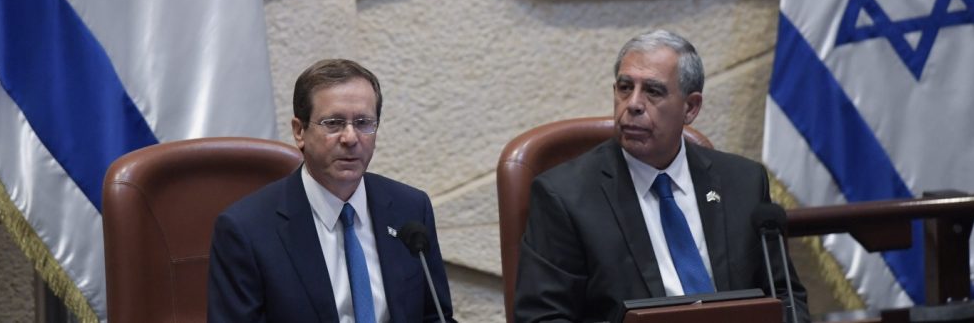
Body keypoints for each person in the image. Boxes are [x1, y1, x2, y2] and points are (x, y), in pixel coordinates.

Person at [513, 30, 810, 323]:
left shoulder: (743, 182)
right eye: (625, 87)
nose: (633, 104)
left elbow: (783, 296)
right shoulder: (565, 197)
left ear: (690, 107)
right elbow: (542, 318)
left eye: (653, 91)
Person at [208, 59, 455, 322]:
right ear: (299, 131)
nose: (350, 138)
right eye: (333, 123)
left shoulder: (410, 209)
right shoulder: (246, 230)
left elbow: (435, 316)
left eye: (363, 123)